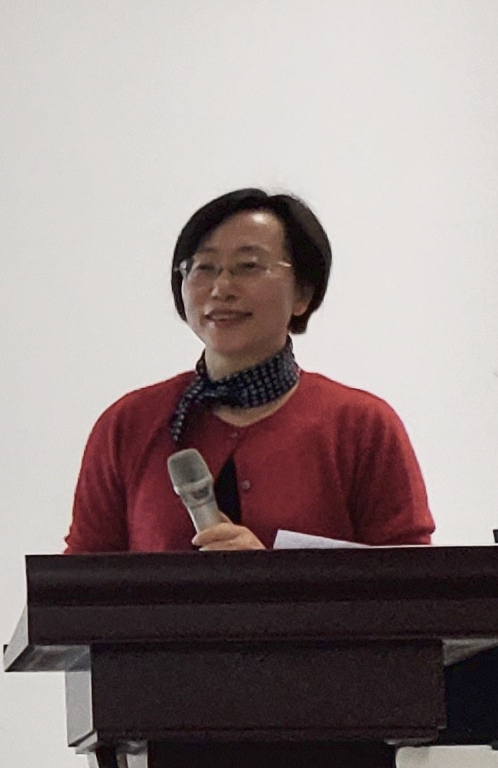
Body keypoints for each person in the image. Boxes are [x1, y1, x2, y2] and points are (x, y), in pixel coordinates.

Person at [66, 187, 433, 554]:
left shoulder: (362, 427)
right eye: (204, 267)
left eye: (248, 267)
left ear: (302, 292)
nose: (221, 288)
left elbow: (413, 581)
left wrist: (269, 577)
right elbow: (82, 579)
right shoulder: (128, 424)